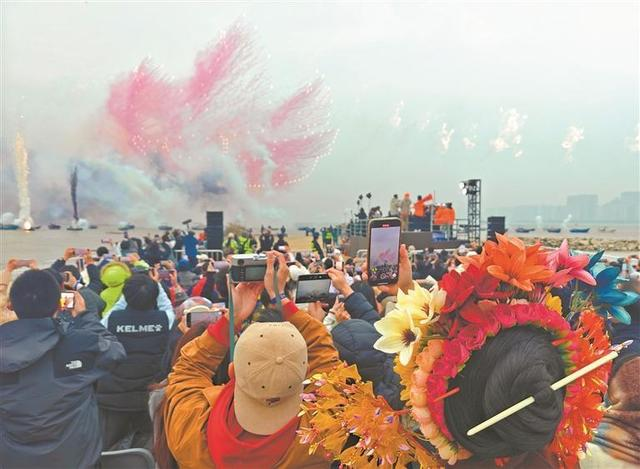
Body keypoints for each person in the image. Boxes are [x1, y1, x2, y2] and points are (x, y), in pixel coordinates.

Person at [163, 252, 340, 468]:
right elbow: (326, 358)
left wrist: (232, 318)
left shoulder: (192, 429)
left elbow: (188, 369)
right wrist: (280, 298)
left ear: (232, 371)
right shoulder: (321, 434)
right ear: (305, 372)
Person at [1, 269, 125, 468]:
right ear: (59, 304)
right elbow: (115, 351)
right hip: (78, 460)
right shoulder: (80, 343)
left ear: (11, 305)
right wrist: (84, 316)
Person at [97, 274, 172, 450]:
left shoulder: (111, 320)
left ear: (125, 295)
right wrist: (155, 285)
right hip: (150, 397)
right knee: (149, 448)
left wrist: (132, 292)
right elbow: (166, 305)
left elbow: (116, 308)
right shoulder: (165, 319)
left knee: (110, 450)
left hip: (114, 398)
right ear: (155, 295)